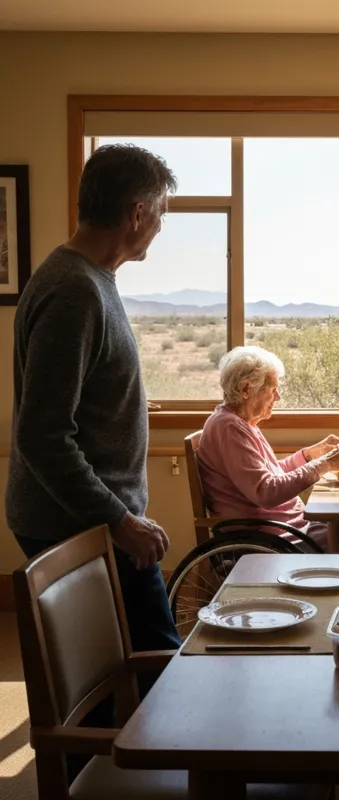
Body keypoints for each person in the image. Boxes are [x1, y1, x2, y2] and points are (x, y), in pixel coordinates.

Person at [6, 144, 181, 779]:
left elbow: (77, 398)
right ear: (136, 212)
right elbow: (43, 436)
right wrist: (119, 520)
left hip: (89, 517)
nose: (161, 228)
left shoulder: (86, 279)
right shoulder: (76, 290)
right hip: (77, 523)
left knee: (119, 683)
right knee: (158, 664)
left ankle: (119, 777)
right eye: (161, 214)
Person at [196, 345, 339, 550]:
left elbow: (271, 474)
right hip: (271, 539)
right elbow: (267, 491)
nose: (277, 397)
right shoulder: (228, 427)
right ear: (245, 390)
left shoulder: (242, 423)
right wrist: (324, 465)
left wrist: (311, 454)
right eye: (272, 390)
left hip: (288, 529)